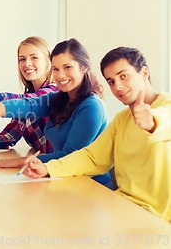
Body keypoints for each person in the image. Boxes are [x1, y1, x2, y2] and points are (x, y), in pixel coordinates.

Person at [23, 47, 171, 221]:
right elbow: (93, 158)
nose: (118, 86)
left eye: (123, 76)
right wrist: (47, 168)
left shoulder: (164, 109)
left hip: (155, 219)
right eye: (111, 81)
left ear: (144, 72)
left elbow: (164, 121)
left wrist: (152, 122)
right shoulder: (122, 119)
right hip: (121, 206)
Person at [0, 38, 111, 186]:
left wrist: (20, 161)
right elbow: (27, 105)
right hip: (61, 179)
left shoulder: (92, 106)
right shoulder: (59, 98)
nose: (60, 75)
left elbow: (70, 156)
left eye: (67, 67)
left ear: (84, 68)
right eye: (56, 69)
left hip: (90, 184)